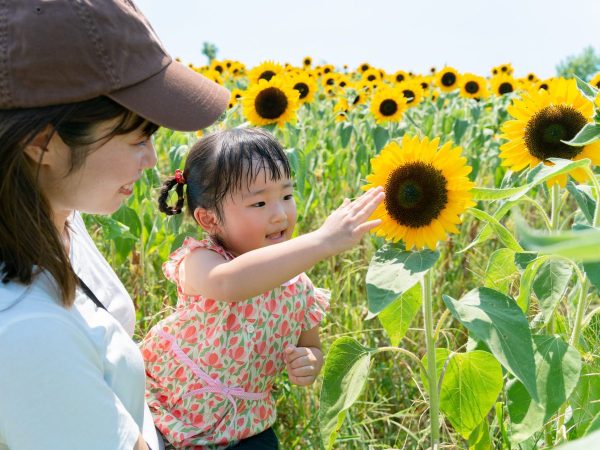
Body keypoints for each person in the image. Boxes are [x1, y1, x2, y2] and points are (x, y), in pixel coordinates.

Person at [0, 1, 229, 450]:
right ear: (41, 143)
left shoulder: (52, 215)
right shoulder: (25, 330)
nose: (153, 159)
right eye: (137, 136)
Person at [139, 128, 385, 449]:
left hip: (244, 424)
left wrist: (309, 362)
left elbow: (312, 345)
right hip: (168, 410)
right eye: (259, 203)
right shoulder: (201, 261)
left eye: (286, 195)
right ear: (209, 219)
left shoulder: (298, 286)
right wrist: (322, 241)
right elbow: (230, 283)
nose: (280, 214)